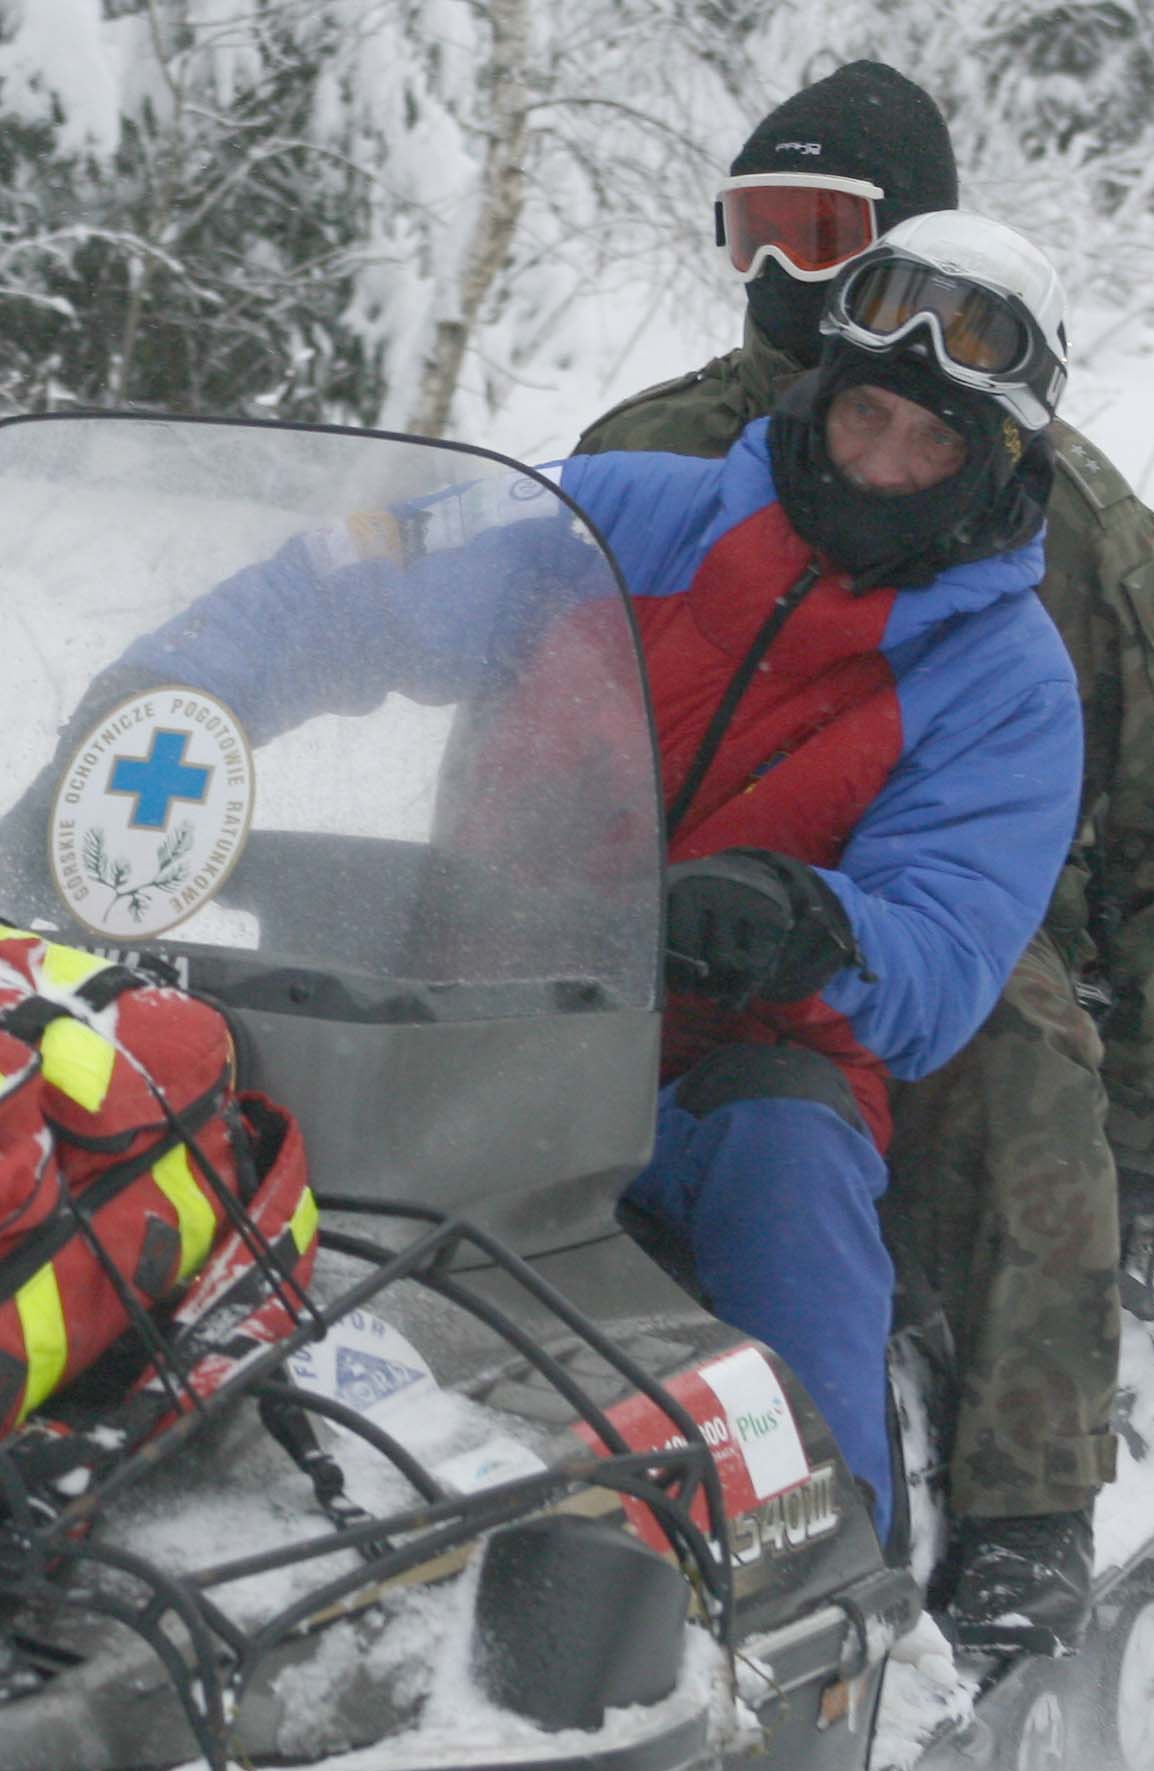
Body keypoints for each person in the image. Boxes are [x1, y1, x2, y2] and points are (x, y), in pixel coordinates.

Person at [87, 209, 1086, 1542]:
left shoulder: (1003, 678)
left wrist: (813, 920)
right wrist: (155, 709)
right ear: (822, 392)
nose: (885, 461)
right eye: (868, 417)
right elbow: (356, 581)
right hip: (471, 1007)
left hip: (716, 1071)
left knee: (790, 1163)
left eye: (934, 444)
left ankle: (838, 1576)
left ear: (993, 468)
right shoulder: (618, 514)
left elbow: (948, 950)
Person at [576, 63, 1154, 1658]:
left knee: (1016, 1040)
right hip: (635, 883)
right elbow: (494, 604)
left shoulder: (1062, 521)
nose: (781, 277)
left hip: (935, 890)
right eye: (753, 231)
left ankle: (1025, 1499)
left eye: (822, 235)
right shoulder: (665, 450)